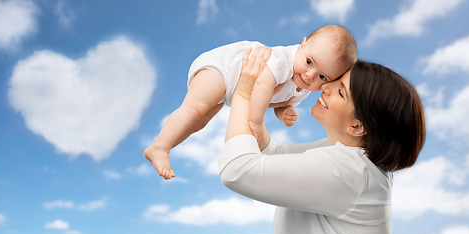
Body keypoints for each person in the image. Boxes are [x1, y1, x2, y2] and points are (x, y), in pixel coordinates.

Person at [219, 47, 426, 234]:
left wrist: (243, 92)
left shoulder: (349, 171)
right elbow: (274, 153)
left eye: (341, 91)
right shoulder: (346, 155)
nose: (325, 85)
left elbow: (235, 170)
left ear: (356, 127)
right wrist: (260, 99)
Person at [145, 25, 357, 180]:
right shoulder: (283, 60)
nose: (310, 75)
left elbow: (276, 101)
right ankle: (161, 147)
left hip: (231, 91)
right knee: (194, 109)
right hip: (223, 69)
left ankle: (164, 146)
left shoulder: (302, 86)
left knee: (200, 122)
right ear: (302, 45)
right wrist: (255, 122)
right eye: (309, 62)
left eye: (323, 77)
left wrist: (284, 112)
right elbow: (263, 86)